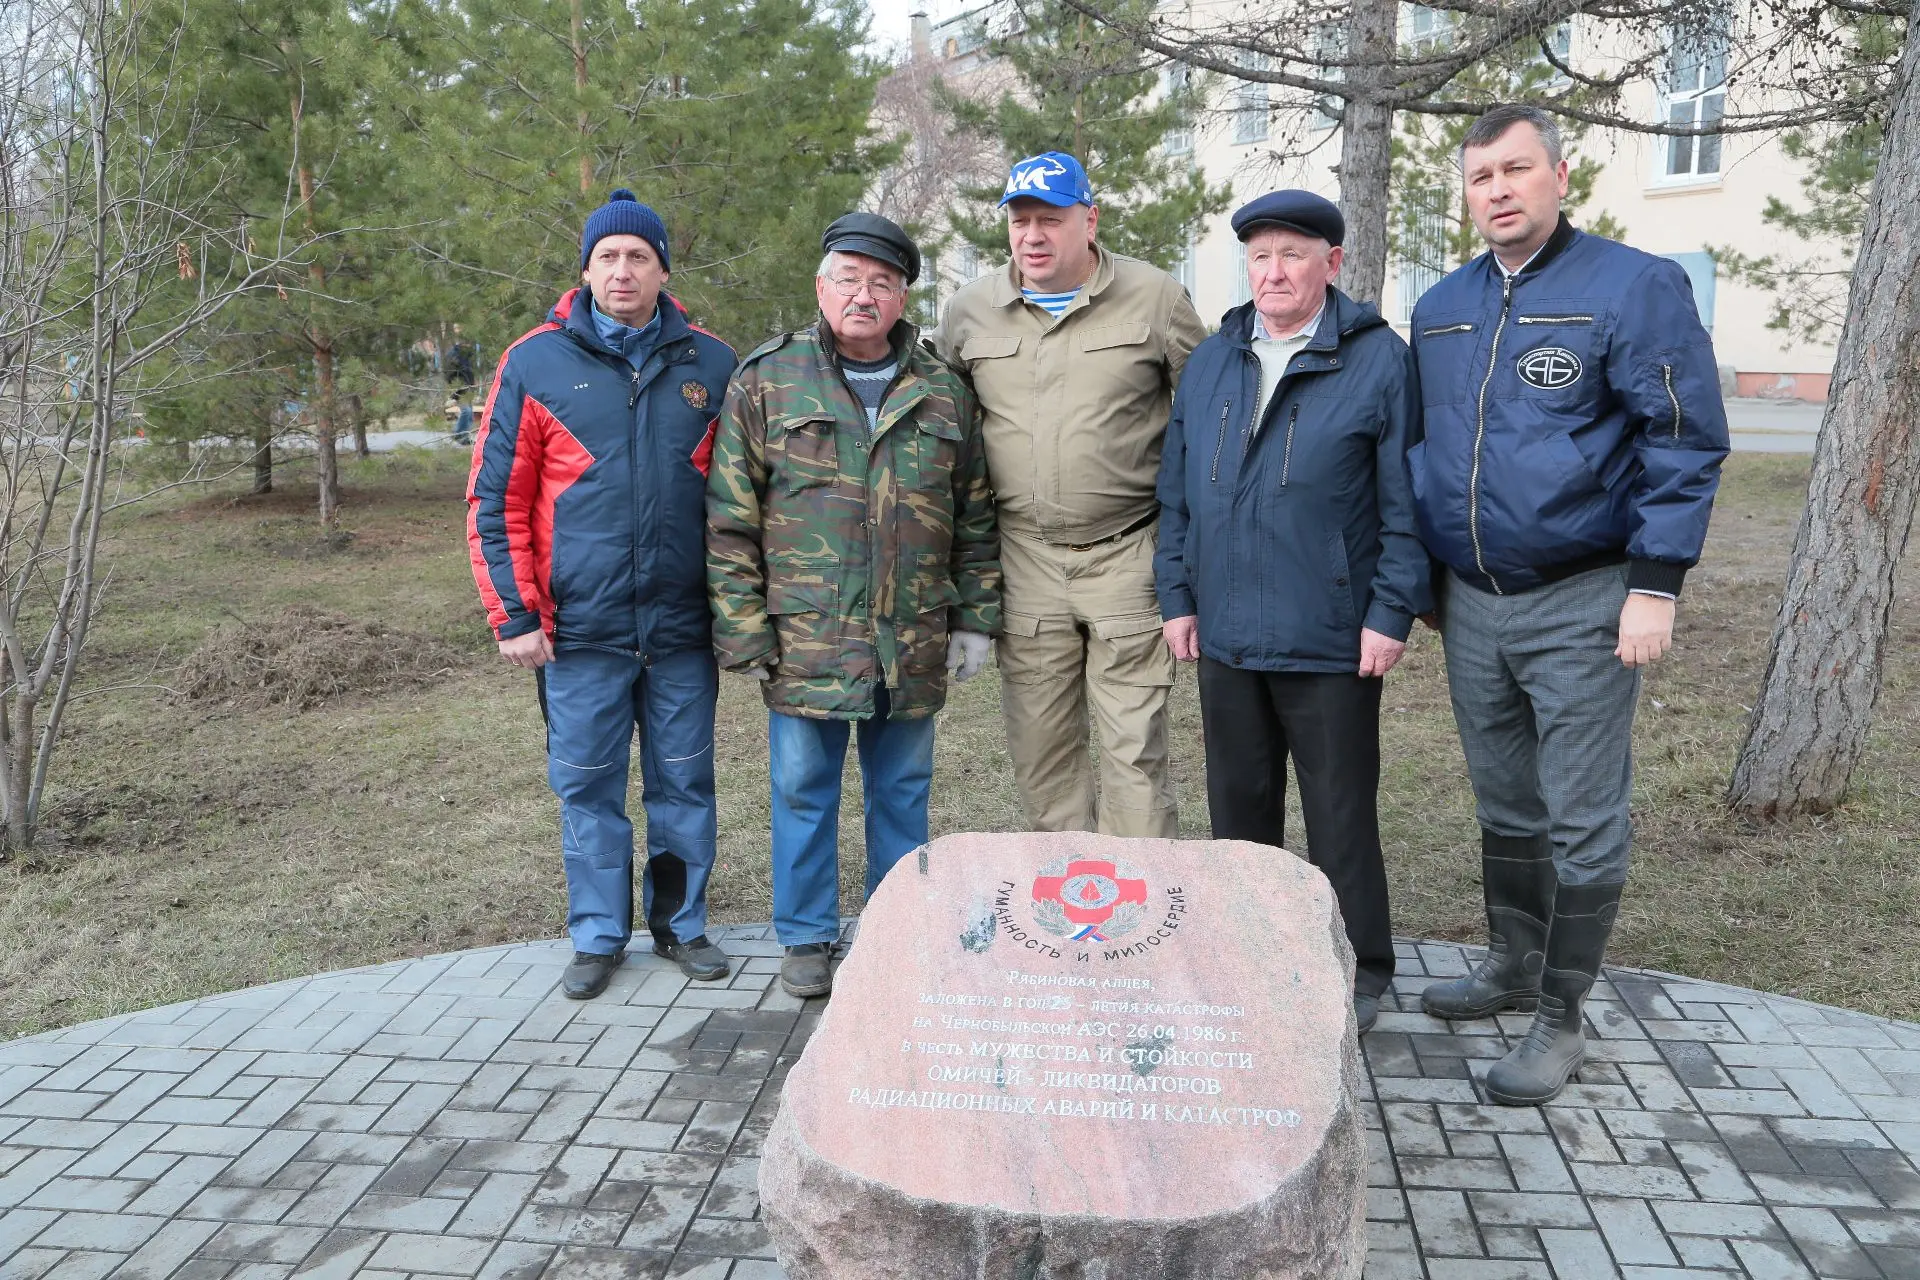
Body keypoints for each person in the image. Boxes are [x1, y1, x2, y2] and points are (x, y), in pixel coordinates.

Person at [1410, 105, 1729, 1103]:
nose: (1498, 190)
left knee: (1580, 813)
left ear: (1559, 174)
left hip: (1585, 597)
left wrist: (1654, 585)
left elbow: (1682, 439)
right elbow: (1424, 452)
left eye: (1516, 169)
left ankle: (1562, 1011)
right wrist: (1428, 584)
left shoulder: (1633, 287)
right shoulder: (1442, 306)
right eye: (1479, 177)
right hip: (1475, 603)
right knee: (1504, 798)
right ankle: (1511, 961)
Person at [1155, 191, 1429, 1037]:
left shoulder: (1378, 360)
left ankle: (1361, 969)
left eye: (1293, 255)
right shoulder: (1213, 359)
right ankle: (1247, 958)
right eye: (1260, 255)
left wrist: (1390, 612)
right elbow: (1176, 491)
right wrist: (1177, 595)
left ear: (1332, 265)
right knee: (1239, 815)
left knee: (1340, 812)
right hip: (1227, 630)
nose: (1273, 272)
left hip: (1332, 637)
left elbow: (1407, 503)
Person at [708, 214, 1000, 1000]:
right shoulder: (766, 380)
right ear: (820, 288)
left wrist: (975, 618)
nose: (863, 296)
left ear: (904, 295)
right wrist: (743, 627)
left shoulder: (941, 388)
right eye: (848, 279)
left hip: (910, 633)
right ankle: (805, 936)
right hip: (806, 631)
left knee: (902, 790)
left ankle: (894, 926)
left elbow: (974, 516)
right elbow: (731, 518)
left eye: (882, 282)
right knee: (803, 787)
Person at [468, 189, 737, 1000]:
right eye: (609, 256)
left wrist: (740, 611)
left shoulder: (712, 364)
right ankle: (597, 934)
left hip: (684, 628)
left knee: (684, 779)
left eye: (639, 256)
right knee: (586, 785)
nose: (624, 270)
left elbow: (744, 504)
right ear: (586, 268)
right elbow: (495, 500)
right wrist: (513, 613)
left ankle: (681, 924)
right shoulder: (535, 362)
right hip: (579, 633)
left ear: (663, 269)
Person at [938, 152, 1208, 838]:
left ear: (1089, 221)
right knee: (1043, 755)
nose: (1032, 235)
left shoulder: (1156, 299)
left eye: (1049, 220)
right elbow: (943, 435)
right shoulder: (970, 312)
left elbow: (1206, 423)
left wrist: (1193, 553)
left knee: (1134, 753)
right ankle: (1072, 921)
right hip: (1023, 557)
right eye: (1019, 220)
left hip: (1127, 554)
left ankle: (1141, 920)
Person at [447, 325, 481, 444]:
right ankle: (460, 436)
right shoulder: (454, 355)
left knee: (469, 413)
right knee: (466, 411)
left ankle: (460, 434)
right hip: (460, 388)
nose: (468, 345)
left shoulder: (467, 356)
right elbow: (450, 374)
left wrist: (473, 385)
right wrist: (455, 390)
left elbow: (470, 372)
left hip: (468, 388)